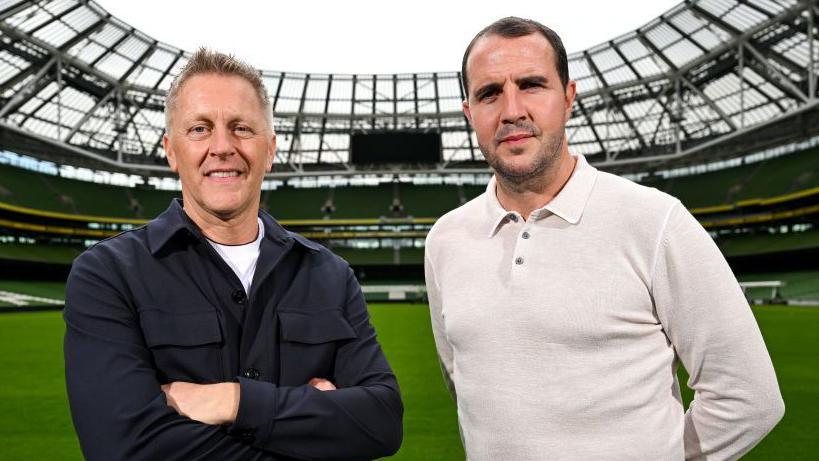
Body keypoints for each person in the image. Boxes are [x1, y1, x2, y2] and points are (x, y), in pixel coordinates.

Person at [424, 17, 784, 460]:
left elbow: (748, 397)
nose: (512, 110)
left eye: (533, 84)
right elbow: (462, 384)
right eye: (489, 93)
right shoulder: (445, 240)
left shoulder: (655, 220)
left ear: (569, 98)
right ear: (469, 113)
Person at [64, 49, 402, 461]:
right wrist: (315, 426)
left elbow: (382, 421)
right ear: (171, 151)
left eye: (241, 128)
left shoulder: (330, 274)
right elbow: (123, 448)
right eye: (200, 129)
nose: (222, 146)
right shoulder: (107, 274)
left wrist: (233, 402)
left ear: (271, 149)